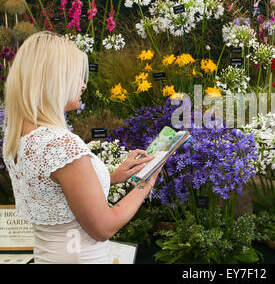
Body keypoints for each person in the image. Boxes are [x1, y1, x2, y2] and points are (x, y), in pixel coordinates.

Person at [2, 31, 164, 263]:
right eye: (76, 76)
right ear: (55, 80)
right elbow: (104, 227)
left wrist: (113, 176)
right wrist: (145, 185)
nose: (83, 84)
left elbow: (55, 192)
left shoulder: (19, 136)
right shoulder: (59, 144)